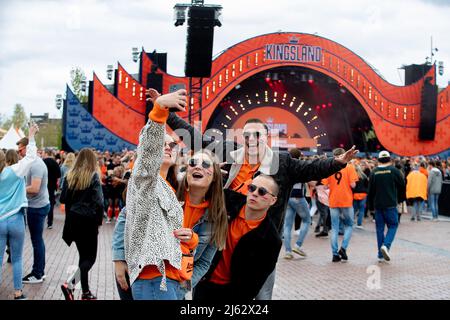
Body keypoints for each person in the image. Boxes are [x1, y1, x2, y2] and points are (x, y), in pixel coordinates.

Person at [166, 107, 358, 299]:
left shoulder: (281, 162)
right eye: (247, 134)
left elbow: (311, 169)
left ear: (266, 137)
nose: (252, 139)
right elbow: (198, 140)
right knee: (210, 288)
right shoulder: (230, 153)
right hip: (223, 238)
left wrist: (337, 163)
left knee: (259, 296)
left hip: (259, 244)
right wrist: (167, 113)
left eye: (257, 134)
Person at [193, 175, 281, 301]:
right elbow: (200, 191)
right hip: (204, 283)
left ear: (273, 200)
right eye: (252, 188)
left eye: (262, 192)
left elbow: (255, 282)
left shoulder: (271, 240)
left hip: (234, 295)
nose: (255, 194)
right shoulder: (229, 201)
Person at [0, 124, 39, 300]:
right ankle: (17, 292)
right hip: (16, 219)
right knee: (16, 258)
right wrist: (31, 136)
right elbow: (31, 157)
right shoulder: (16, 171)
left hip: (0, 220)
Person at [60, 148, 105, 300]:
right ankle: (70, 285)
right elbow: (99, 202)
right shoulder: (94, 176)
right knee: (90, 259)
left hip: (73, 220)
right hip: (88, 221)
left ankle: (85, 292)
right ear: (93, 161)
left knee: (83, 257)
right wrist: (99, 221)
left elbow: (63, 199)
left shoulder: (69, 176)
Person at [17, 135, 50, 284]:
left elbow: (35, 188)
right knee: (37, 240)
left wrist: (18, 190)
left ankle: (38, 273)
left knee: (37, 240)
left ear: (28, 148)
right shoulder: (31, 163)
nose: (19, 153)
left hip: (37, 207)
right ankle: (39, 271)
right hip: (37, 205)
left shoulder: (36, 164)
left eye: (21, 150)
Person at [322, 148, 359, 263]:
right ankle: (343, 248)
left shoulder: (329, 168)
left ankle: (334, 254)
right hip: (346, 200)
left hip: (333, 200)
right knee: (349, 225)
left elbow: (325, 186)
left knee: (334, 228)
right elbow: (353, 185)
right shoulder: (349, 167)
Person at [367, 151, 405, 262]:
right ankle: (386, 245)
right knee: (393, 225)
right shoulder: (394, 171)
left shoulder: (374, 172)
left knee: (379, 229)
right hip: (391, 204)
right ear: (389, 159)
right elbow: (402, 185)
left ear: (378, 160)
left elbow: (371, 191)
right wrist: (401, 199)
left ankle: (380, 254)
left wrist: (370, 206)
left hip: (378, 205)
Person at [283, 148, 310, 260]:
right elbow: (310, 180)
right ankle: (298, 245)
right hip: (298, 196)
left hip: (288, 196)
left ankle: (288, 251)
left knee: (287, 225)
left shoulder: (286, 166)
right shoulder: (300, 165)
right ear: (299, 156)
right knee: (307, 220)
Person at [42, 148, 61, 229]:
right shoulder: (55, 163)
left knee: (42, 203)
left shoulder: (43, 162)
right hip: (52, 186)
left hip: (43, 186)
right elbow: (59, 175)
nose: (42, 154)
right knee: (51, 204)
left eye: (43, 153)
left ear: (46, 153)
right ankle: (50, 222)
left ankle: (41, 220)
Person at [352, 163, 369, 229]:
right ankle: (359, 224)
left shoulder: (353, 177)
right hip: (363, 194)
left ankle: (351, 222)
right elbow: (367, 185)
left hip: (355, 194)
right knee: (362, 210)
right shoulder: (364, 176)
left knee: (354, 209)